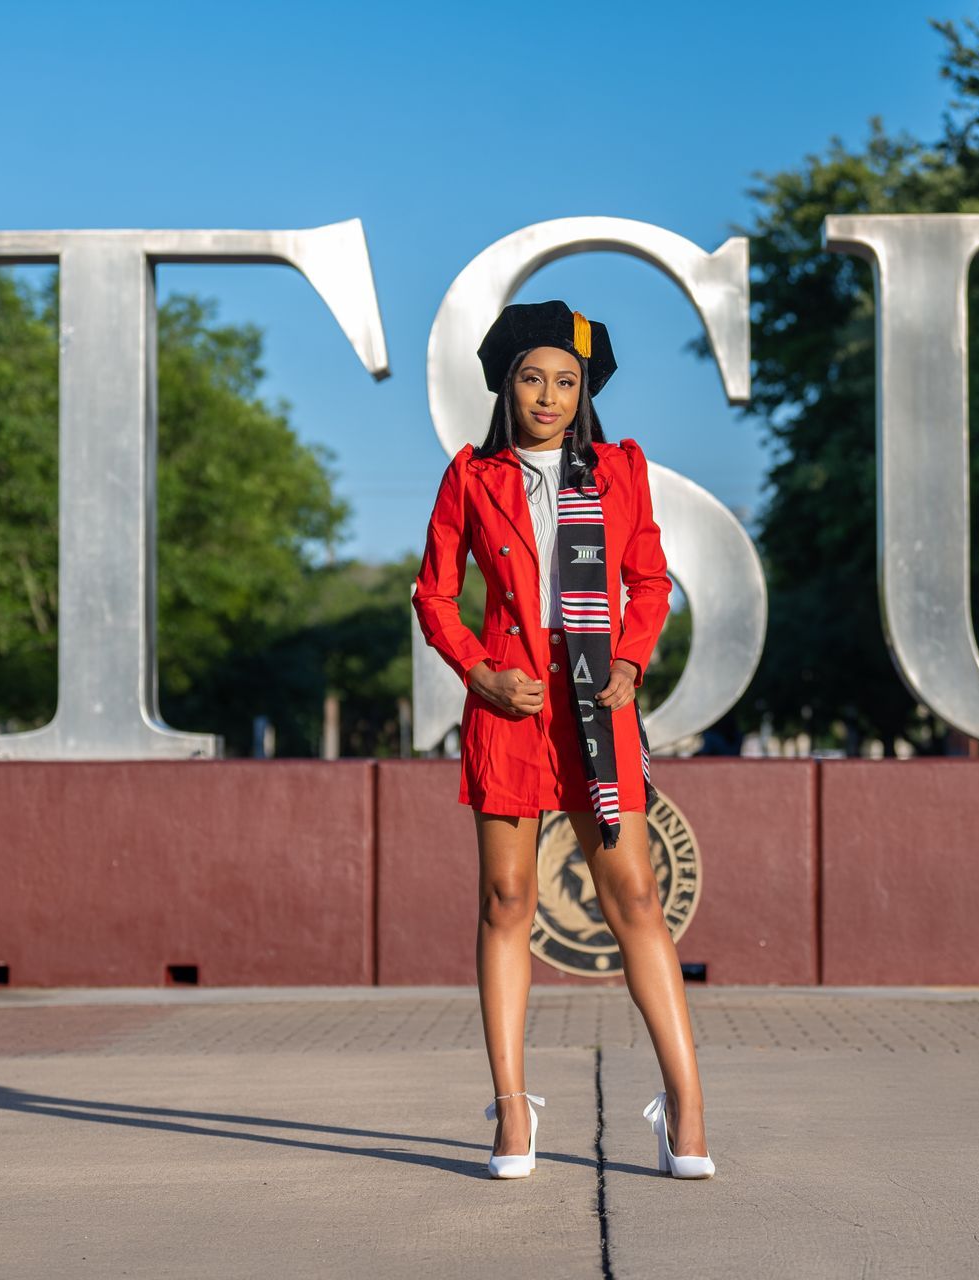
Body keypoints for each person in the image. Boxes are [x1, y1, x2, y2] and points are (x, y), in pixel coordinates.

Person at [413, 300, 714, 1181]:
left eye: (566, 381)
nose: (549, 395)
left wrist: (630, 661)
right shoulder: (471, 476)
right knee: (507, 901)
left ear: (585, 393)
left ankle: (685, 1106)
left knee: (636, 901)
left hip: (598, 695)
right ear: (507, 384)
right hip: (510, 696)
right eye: (534, 378)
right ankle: (511, 1112)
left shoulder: (621, 470)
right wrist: (478, 672)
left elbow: (649, 580)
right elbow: (434, 596)